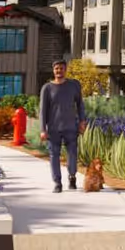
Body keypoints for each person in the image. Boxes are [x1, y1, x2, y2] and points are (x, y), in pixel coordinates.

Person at [39, 61, 86, 193]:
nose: (59, 71)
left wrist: (82, 121)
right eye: (56, 69)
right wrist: (43, 129)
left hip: (71, 127)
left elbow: (80, 104)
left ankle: (72, 176)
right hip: (53, 129)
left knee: (72, 154)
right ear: (53, 70)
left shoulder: (73, 85)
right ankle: (57, 182)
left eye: (61, 68)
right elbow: (43, 110)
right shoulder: (47, 88)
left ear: (66, 70)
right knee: (54, 155)